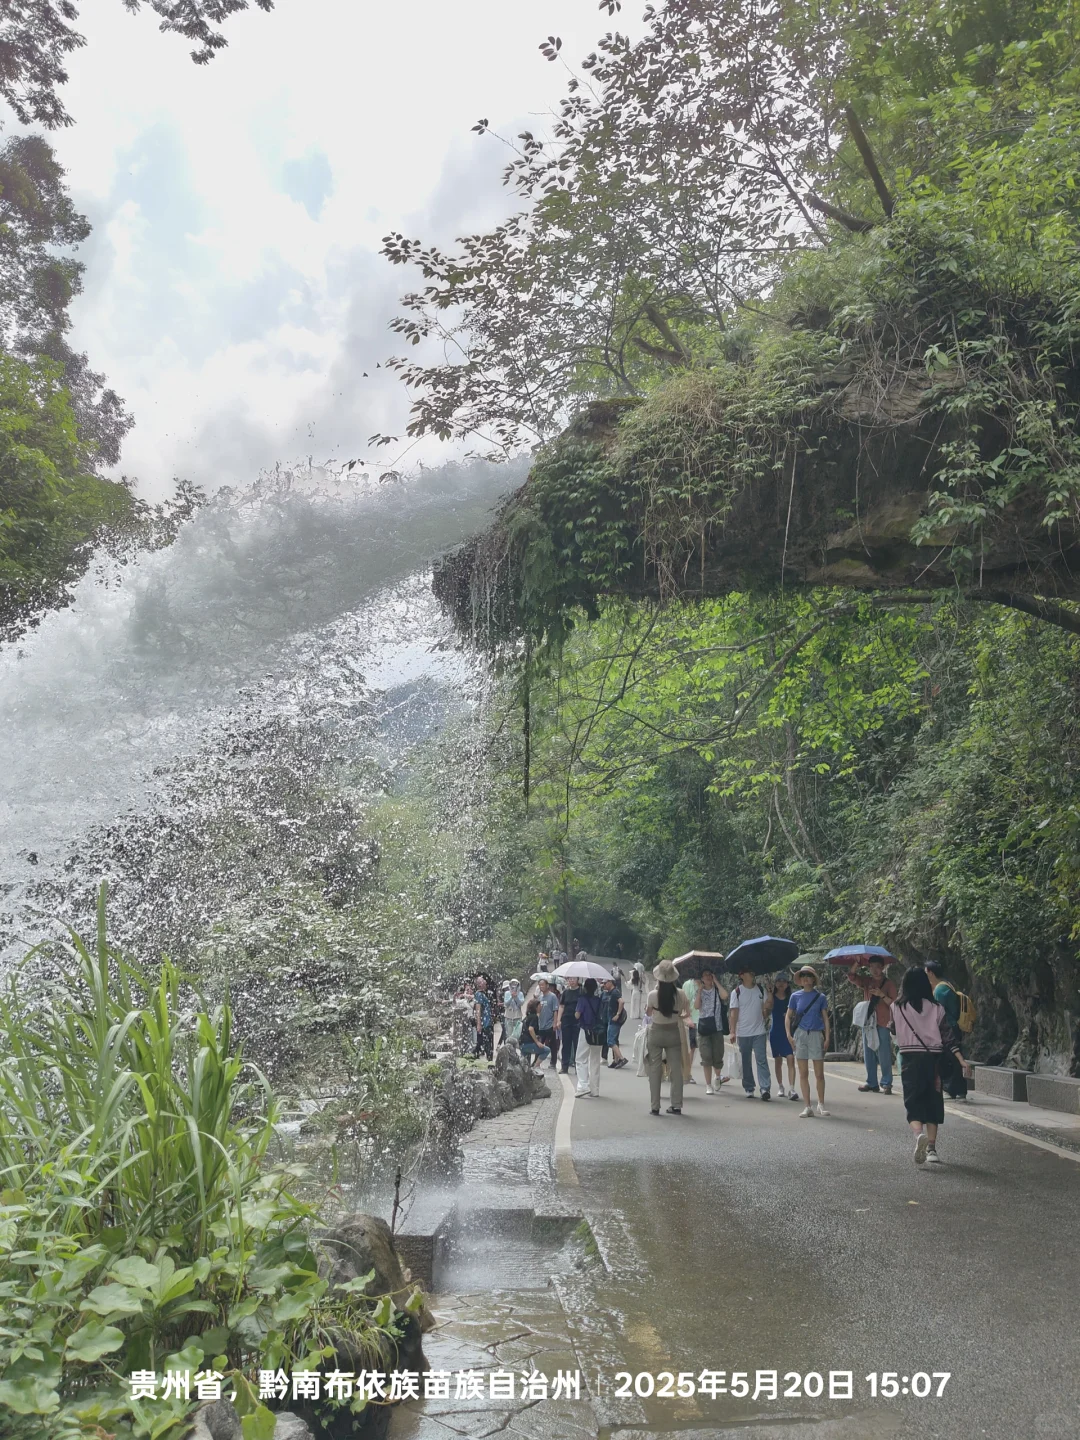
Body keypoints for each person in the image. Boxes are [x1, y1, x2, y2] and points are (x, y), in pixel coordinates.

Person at [890, 966, 972, 1165]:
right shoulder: (937, 1008)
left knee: (913, 1101)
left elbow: (892, 1031)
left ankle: (919, 1135)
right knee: (933, 1102)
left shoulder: (896, 1007)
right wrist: (961, 1060)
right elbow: (948, 1038)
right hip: (933, 1061)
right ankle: (932, 1149)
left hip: (909, 1060)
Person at [645, 959, 691, 1114]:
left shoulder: (652, 995)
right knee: (676, 1069)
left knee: (655, 1069)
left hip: (656, 1033)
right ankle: (676, 1104)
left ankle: (655, 1106)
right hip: (673, 1032)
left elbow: (648, 1013)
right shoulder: (681, 995)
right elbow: (686, 1013)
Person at [786, 965, 831, 1117]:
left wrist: (827, 1037)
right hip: (801, 1035)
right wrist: (789, 1035)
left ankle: (821, 1104)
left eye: (808, 975)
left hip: (816, 1034)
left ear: (813, 979)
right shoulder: (795, 996)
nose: (805, 978)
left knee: (819, 1073)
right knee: (803, 1072)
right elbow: (788, 1016)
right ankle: (807, 1106)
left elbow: (825, 1018)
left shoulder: (821, 997)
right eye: (803, 975)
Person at [848, 959, 898, 1094]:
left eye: (877, 966)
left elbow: (894, 1004)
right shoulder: (867, 982)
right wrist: (856, 964)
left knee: (884, 1054)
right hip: (868, 1021)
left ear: (882, 967)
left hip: (882, 1022)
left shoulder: (888, 984)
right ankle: (871, 1082)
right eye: (871, 967)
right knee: (868, 1052)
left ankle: (887, 1083)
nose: (874, 970)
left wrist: (881, 995)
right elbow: (852, 977)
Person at [924, 960, 968, 1100]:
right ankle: (960, 1091)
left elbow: (937, 1011)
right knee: (954, 1058)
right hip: (953, 1027)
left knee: (948, 1060)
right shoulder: (946, 985)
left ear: (930, 972)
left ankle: (950, 1089)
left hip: (947, 1028)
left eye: (926, 972)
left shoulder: (940, 990)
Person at [729, 967, 773, 1100]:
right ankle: (749, 1087)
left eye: (752, 971)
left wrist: (770, 993)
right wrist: (732, 1031)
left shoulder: (760, 990)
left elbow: (768, 1007)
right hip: (743, 1032)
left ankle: (765, 1087)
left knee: (762, 1059)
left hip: (759, 1031)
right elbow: (734, 1013)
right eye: (749, 972)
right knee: (746, 1061)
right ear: (741, 975)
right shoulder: (736, 992)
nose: (752, 973)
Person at [695, 966, 729, 1094]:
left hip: (717, 1027)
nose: (708, 977)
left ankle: (717, 1077)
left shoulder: (716, 990)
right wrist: (699, 991)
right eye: (705, 975)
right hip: (704, 1028)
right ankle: (708, 1084)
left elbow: (725, 996)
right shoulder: (700, 991)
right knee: (706, 1057)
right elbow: (697, 1006)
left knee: (718, 1055)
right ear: (702, 978)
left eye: (710, 974)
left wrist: (716, 982)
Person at [769, 973, 798, 1100]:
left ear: (787, 984)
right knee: (778, 1060)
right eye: (778, 981)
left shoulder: (791, 998)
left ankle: (792, 1088)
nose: (781, 983)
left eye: (784, 981)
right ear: (775, 984)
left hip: (788, 1033)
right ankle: (781, 1086)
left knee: (791, 1058)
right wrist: (769, 993)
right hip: (775, 1032)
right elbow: (766, 1008)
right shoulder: (772, 998)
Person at [574, 979, 605, 1097]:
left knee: (581, 1058)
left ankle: (583, 1086)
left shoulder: (582, 999)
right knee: (595, 1060)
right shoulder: (599, 1000)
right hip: (598, 1031)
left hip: (585, 1030)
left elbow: (577, 1015)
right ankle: (595, 1089)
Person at [557, 977, 581, 1076]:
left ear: (577, 980)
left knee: (577, 1045)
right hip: (566, 1020)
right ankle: (564, 1066)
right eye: (570, 979)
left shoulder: (581, 991)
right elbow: (561, 1006)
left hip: (578, 1021)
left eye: (573, 979)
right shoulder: (565, 992)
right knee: (566, 1044)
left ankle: (577, 1067)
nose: (571, 981)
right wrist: (558, 1020)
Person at [536, 977, 560, 1069]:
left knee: (552, 1045)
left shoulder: (552, 996)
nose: (541, 987)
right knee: (539, 1044)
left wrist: (555, 1023)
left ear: (547, 986)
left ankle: (553, 1062)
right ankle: (537, 1063)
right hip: (541, 1025)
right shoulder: (540, 997)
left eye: (543, 985)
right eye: (540, 985)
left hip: (550, 1024)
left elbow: (555, 1010)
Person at [519, 999, 551, 1067]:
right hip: (528, 1043)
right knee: (546, 1050)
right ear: (535, 1007)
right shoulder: (534, 1017)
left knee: (525, 1065)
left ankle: (526, 1074)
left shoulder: (527, 1017)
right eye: (539, 1005)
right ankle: (535, 1067)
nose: (541, 1006)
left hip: (522, 1044)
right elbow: (531, 1029)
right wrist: (537, 1042)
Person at [603, 980, 627, 1067]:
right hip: (611, 1018)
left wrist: (617, 1014)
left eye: (605, 983)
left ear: (610, 983)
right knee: (615, 1039)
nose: (604, 985)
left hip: (614, 1019)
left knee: (610, 1041)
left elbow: (621, 1001)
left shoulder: (615, 992)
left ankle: (621, 1058)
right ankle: (616, 1060)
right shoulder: (610, 993)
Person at [473, 978, 494, 1060]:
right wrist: (479, 1024)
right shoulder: (479, 994)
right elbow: (478, 1009)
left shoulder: (483, 994)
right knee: (487, 1044)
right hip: (485, 1024)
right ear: (479, 984)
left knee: (484, 1043)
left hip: (488, 1022)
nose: (485, 981)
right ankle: (489, 1062)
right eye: (483, 980)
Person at [502, 978, 525, 1044]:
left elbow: (521, 1003)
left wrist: (516, 997)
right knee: (509, 1035)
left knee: (517, 1034)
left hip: (517, 1015)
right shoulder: (507, 993)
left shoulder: (520, 994)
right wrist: (511, 997)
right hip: (508, 1016)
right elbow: (506, 1003)